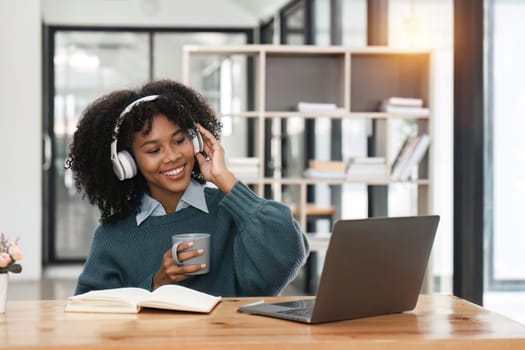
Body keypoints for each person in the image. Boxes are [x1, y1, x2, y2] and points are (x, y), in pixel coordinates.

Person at [66, 79, 309, 297]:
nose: (172, 156)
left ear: (195, 140)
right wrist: (157, 283)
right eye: (153, 150)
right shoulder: (113, 236)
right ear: (126, 163)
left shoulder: (230, 213)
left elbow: (290, 252)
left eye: (179, 140)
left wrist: (225, 179)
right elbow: (90, 313)